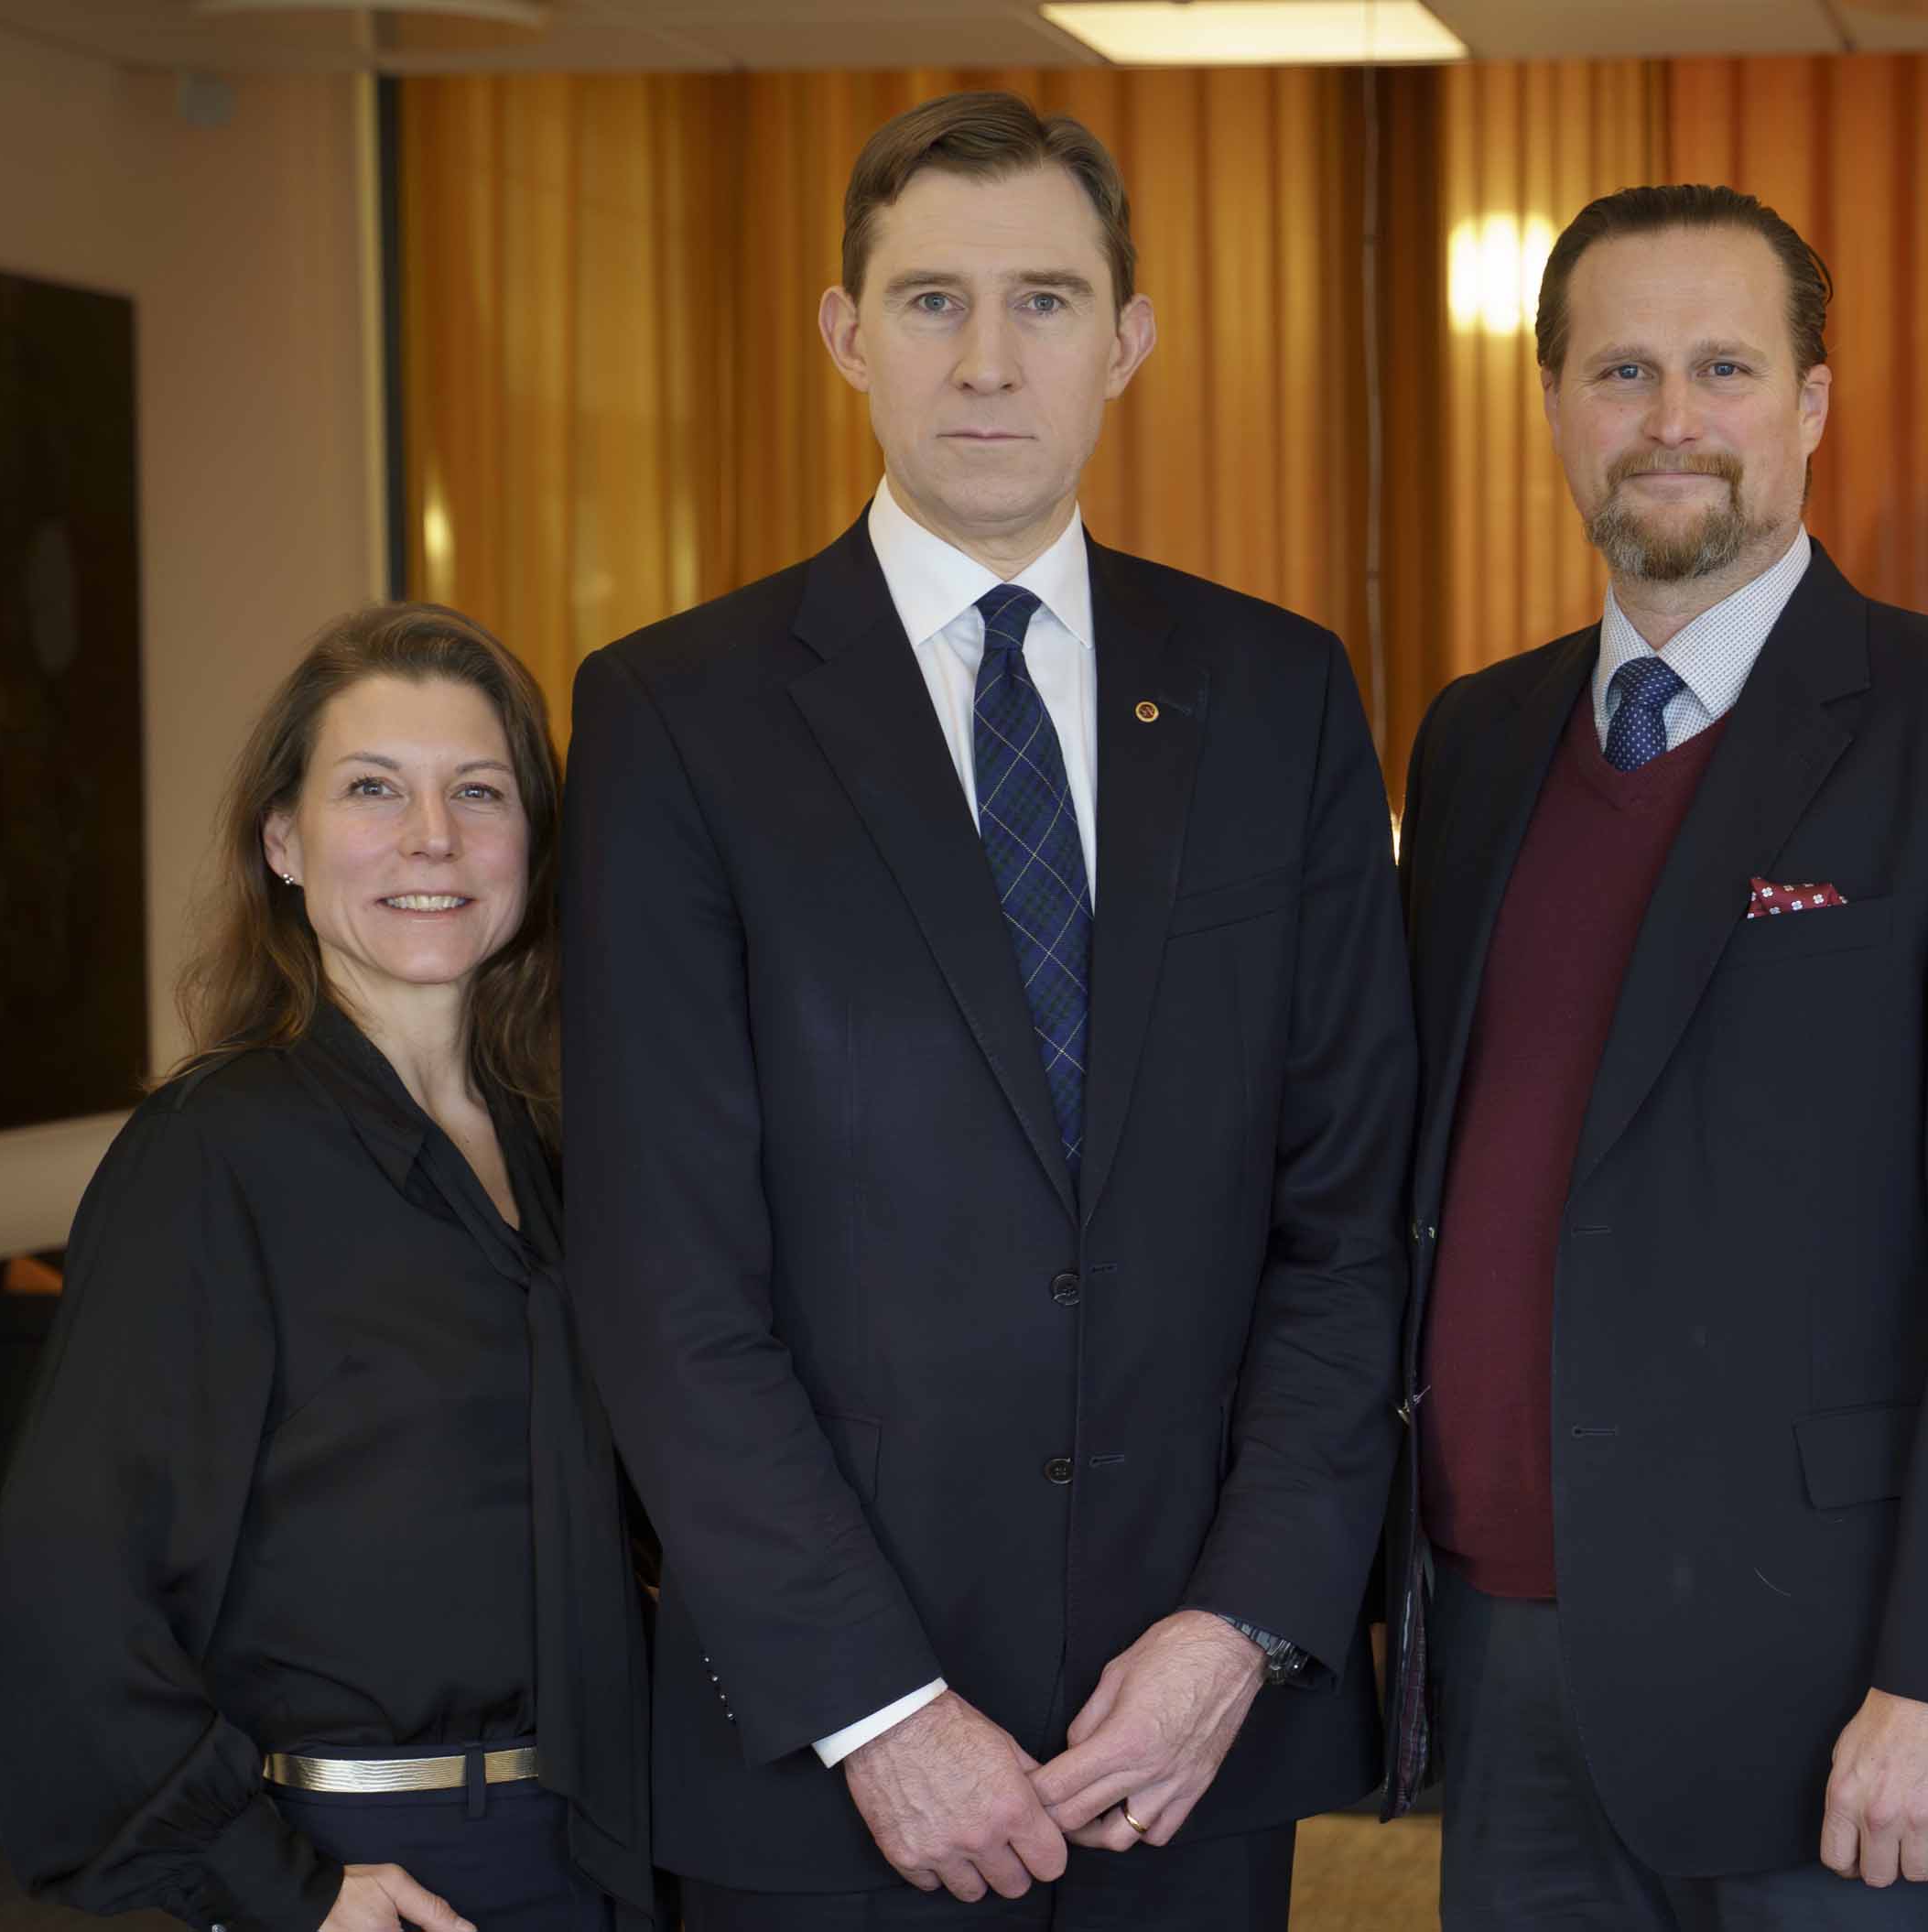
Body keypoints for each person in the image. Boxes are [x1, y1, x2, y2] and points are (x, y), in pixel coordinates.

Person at [557, 90, 1412, 1932]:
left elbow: (1344, 1227)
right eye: (933, 300)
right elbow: (663, 1271)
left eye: (1045, 297)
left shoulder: (1280, 697)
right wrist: (875, 1704)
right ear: (845, 334)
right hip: (820, 1762)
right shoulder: (677, 718)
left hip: (1180, 1747)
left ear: (1131, 338)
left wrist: (1240, 1625)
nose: (991, 358)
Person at [1382, 182, 1928, 1928]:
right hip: (1508, 1646)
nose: (1670, 419)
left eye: (1724, 367)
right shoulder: (1474, 741)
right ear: (1558, 406)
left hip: (1835, 1683)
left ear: (1810, 404)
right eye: (1621, 370)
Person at [0, 606, 649, 1932]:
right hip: (364, 1866)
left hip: (590, 1837)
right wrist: (279, 1885)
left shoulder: (567, 1148)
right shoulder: (210, 1157)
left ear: (532, 844)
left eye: (477, 790)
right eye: (372, 789)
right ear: (283, 840)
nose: (431, 838)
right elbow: (64, 1598)